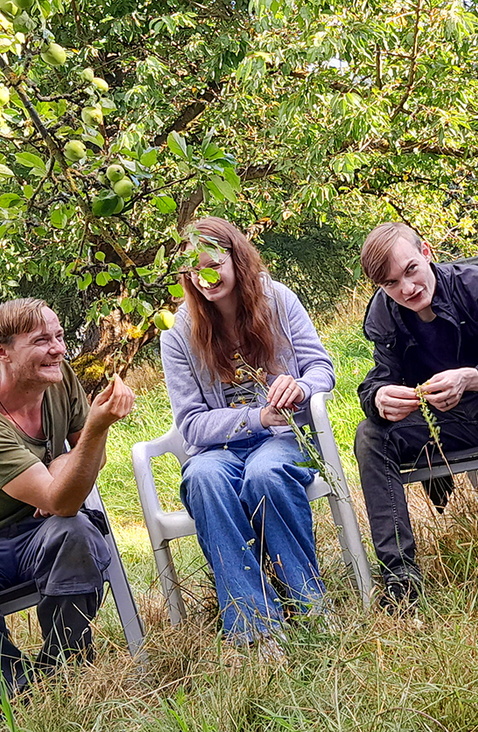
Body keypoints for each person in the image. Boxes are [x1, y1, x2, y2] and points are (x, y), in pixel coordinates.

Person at [0, 298, 136, 705]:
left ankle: (66, 668)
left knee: (77, 532)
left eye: (59, 336)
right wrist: (91, 433)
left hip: (44, 530)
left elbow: (85, 467)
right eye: (41, 340)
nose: (58, 349)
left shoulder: (59, 377)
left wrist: (63, 465)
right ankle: (14, 692)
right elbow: (63, 495)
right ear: (1, 352)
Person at [159, 217, 337, 647]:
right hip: (218, 449)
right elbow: (191, 424)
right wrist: (255, 418)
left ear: (236, 258)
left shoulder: (278, 300)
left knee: (265, 474)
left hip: (285, 439)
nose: (205, 278)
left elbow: (322, 369)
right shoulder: (179, 333)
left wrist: (301, 385)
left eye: (213, 264)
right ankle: (256, 631)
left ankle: (309, 608)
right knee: (202, 478)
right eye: (192, 271)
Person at [354, 221, 478, 607]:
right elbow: (379, 379)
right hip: (436, 422)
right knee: (370, 434)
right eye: (390, 284)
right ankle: (400, 578)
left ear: (427, 254)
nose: (406, 289)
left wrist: (474, 378)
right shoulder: (384, 316)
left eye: (410, 270)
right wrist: (379, 398)